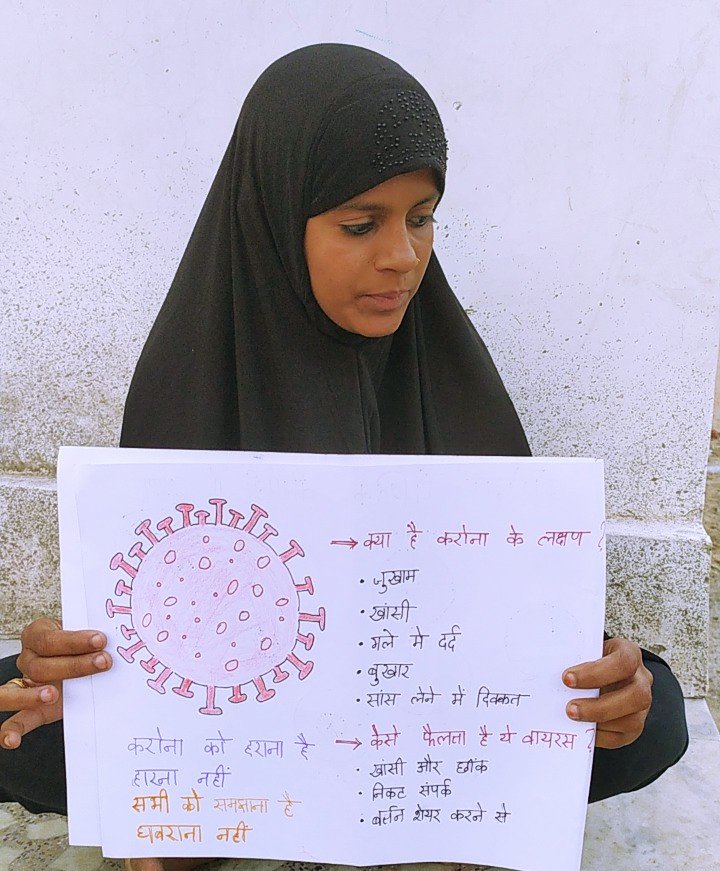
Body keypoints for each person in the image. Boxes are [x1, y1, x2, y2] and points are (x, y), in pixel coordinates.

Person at [0, 43, 688, 871]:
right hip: (254, 731)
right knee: (16, 714)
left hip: (414, 728)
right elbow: (153, 631)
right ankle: (218, 814)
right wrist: (79, 674)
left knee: (656, 713)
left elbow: (524, 630)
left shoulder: (447, 371)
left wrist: (607, 680)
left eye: (421, 217)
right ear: (274, 213)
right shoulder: (193, 370)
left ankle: (369, 806)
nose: (402, 255)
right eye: (360, 225)